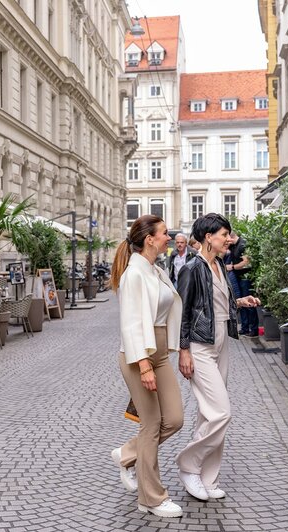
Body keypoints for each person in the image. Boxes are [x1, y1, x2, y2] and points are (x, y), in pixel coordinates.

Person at [175, 213, 260, 502]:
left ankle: (208, 479)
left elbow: (213, 305)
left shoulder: (220, 266)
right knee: (221, 412)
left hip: (221, 340)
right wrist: (183, 349)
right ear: (208, 237)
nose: (229, 239)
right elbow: (183, 312)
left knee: (208, 414)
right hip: (199, 346)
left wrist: (239, 302)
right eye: (224, 234)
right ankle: (188, 466)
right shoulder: (191, 268)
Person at [109, 214, 185, 518]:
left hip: (160, 353)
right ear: (150, 239)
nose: (169, 237)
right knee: (151, 425)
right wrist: (143, 365)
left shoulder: (155, 270)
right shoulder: (134, 274)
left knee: (175, 419)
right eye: (165, 233)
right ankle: (151, 498)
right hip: (138, 354)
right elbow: (131, 324)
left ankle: (127, 454)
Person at [223, 231, 258, 338]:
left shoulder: (243, 244)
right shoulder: (233, 246)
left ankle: (254, 329)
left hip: (245, 278)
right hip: (238, 278)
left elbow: (246, 262)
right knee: (241, 302)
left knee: (250, 304)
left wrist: (233, 267)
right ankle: (245, 328)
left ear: (232, 237)